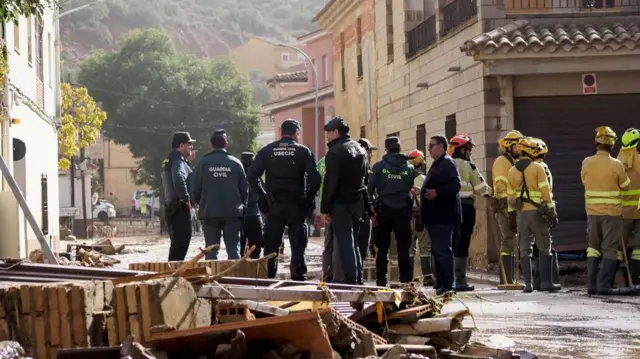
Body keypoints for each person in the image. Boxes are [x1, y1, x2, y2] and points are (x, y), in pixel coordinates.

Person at [248, 119, 321, 280]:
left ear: (282, 133)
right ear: (296, 133)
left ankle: (268, 279)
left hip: (274, 205)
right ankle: (298, 278)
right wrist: (309, 198)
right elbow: (315, 178)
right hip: (297, 204)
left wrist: (263, 195)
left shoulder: (267, 150)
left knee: (271, 246)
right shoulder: (303, 151)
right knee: (298, 246)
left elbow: (252, 176)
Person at [321, 117, 370, 284]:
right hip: (357, 201)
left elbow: (331, 183)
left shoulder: (335, 152)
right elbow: (365, 180)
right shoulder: (361, 149)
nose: (327, 136)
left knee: (345, 242)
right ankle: (357, 276)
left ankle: (350, 279)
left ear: (336, 132)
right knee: (354, 241)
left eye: (328, 132)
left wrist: (325, 208)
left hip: (341, 202)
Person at [582, 126, 630, 295]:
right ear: (612, 146)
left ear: (596, 143)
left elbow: (584, 179)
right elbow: (626, 185)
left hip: (592, 212)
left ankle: (592, 285)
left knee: (593, 247)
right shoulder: (616, 164)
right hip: (612, 214)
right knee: (610, 248)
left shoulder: (587, 162)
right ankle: (604, 285)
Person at [507, 137, 558, 293]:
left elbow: (510, 197)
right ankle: (546, 283)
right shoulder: (538, 168)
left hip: (522, 214)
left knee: (525, 248)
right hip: (538, 214)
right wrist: (552, 210)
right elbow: (546, 192)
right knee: (544, 247)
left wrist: (512, 218)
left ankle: (528, 284)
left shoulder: (512, 170)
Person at [368, 137, 417, 286]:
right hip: (403, 212)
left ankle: (381, 279)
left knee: (383, 247)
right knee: (404, 248)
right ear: (400, 149)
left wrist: (370, 210)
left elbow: (369, 190)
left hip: (384, 211)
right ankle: (406, 281)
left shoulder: (379, 167)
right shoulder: (409, 168)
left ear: (386, 149)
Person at [191, 130, 247, 260]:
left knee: (211, 250)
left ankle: (210, 278)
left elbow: (195, 188)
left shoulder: (202, 163)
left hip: (210, 212)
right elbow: (245, 189)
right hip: (233, 213)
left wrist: (202, 203)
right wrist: (242, 207)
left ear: (211, 145)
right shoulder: (236, 162)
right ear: (226, 145)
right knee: (233, 250)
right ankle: (234, 278)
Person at [448, 134, 492, 292]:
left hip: (448, 208)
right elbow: (481, 188)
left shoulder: (446, 163)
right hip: (465, 207)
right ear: (462, 149)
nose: (470, 153)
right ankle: (460, 281)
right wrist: (490, 192)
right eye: (468, 149)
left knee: (449, 242)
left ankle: (447, 280)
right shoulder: (469, 166)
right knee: (462, 243)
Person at [420, 135, 461, 295]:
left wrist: (437, 192)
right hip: (434, 217)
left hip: (443, 216)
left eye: (432, 145)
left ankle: (448, 285)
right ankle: (441, 282)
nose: (429, 148)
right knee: (437, 251)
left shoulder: (448, 162)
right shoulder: (438, 164)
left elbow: (455, 185)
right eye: (428, 145)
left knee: (443, 250)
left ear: (442, 146)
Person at [492, 130, 523, 285]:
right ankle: (506, 278)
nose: (521, 149)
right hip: (505, 206)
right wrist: (507, 209)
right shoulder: (502, 161)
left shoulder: (513, 162)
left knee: (512, 240)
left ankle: (509, 278)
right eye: (518, 146)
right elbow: (500, 187)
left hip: (512, 205)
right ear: (509, 146)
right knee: (509, 239)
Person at [161, 132, 196, 261]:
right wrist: (186, 199)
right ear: (181, 145)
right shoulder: (177, 160)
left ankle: (173, 274)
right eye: (189, 144)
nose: (191, 147)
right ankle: (174, 276)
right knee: (181, 244)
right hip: (179, 208)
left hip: (172, 207)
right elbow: (178, 179)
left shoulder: (172, 159)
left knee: (177, 245)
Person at [530, 138, 559, 290]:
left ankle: (542, 281)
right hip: (543, 208)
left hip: (541, 209)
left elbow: (545, 190)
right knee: (543, 245)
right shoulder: (541, 167)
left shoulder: (539, 167)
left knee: (541, 245)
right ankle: (545, 280)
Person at [408, 149, 435, 286]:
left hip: (407, 218)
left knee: (409, 248)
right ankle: (428, 277)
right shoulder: (424, 179)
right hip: (421, 217)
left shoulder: (405, 178)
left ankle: (408, 278)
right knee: (425, 247)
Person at [618, 129, 640, 285]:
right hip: (638, 212)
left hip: (622, 213)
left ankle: (619, 281)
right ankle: (635, 278)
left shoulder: (617, 161)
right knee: (638, 247)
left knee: (620, 248)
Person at [239, 152, 264, 259]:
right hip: (254, 216)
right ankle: (255, 274)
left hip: (238, 217)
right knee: (256, 252)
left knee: (239, 251)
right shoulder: (256, 178)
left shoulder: (236, 177)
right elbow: (263, 195)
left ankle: (238, 273)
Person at [357, 138, 378, 262]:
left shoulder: (366, 169)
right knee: (361, 247)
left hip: (360, 211)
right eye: (370, 152)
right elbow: (369, 193)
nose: (371, 155)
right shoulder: (366, 171)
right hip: (364, 213)